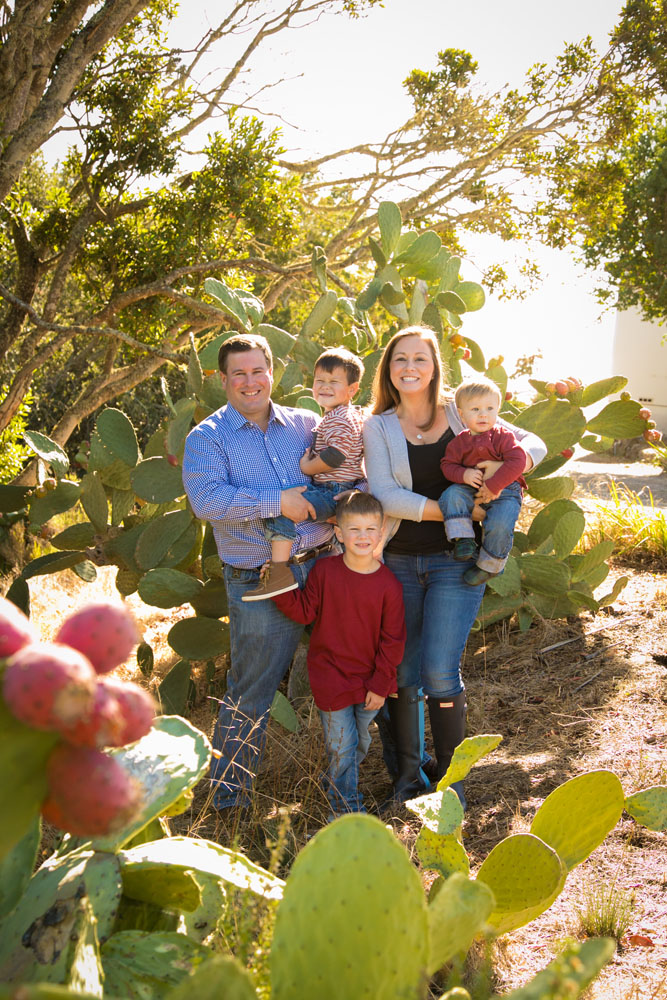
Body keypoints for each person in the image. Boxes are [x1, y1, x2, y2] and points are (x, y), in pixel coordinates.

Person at [363, 326, 546, 806]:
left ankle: (450, 788)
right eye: (400, 358)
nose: (409, 367)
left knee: (441, 673)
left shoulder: (461, 410)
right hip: (399, 560)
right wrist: (457, 509)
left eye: (419, 358)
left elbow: (534, 445)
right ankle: (407, 783)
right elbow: (385, 495)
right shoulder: (378, 426)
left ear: (434, 365)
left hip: (453, 560)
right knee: (402, 672)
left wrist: (497, 474)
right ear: (388, 368)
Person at [182, 333, 338, 811]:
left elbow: (343, 471)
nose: (250, 382)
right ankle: (229, 801)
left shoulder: (307, 424)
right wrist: (281, 502)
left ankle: (362, 784)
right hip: (258, 579)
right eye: (239, 374)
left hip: (329, 567)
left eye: (258, 371)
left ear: (273, 373)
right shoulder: (207, 437)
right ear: (223, 379)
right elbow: (207, 501)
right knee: (251, 690)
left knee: (356, 668)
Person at [272, 492, 405, 818]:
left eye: (370, 529)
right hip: (330, 676)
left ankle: (334, 784)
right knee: (342, 747)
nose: (363, 537)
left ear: (381, 531)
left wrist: (381, 683)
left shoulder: (388, 584)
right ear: (340, 534)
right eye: (354, 530)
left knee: (359, 743)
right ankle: (345, 811)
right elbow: (304, 612)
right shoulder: (325, 572)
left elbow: (393, 639)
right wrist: (279, 582)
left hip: (369, 680)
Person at [242, 347, 366, 601]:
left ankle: (278, 573)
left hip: (334, 490)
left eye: (334, 382)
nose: (324, 387)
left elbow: (335, 456)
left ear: (352, 390)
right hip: (336, 489)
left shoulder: (340, 418)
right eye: (319, 381)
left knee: (281, 508)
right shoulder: (339, 416)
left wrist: (306, 466)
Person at [439, 376, 527, 587]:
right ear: (461, 414)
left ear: (497, 411)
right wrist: (463, 475)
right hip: (472, 489)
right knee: (451, 495)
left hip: (505, 491)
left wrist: (494, 485)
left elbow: (519, 460)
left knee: (500, 523)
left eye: (489, 408)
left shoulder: (503, 437)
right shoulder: (459, 442)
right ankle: (464, 539)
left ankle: (490, 566)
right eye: (475, 409)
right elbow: (447, 465)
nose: (483, 414)